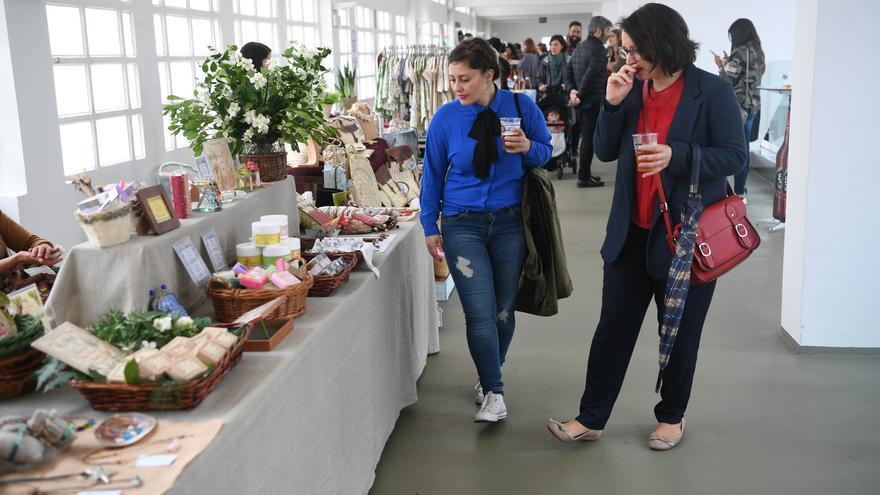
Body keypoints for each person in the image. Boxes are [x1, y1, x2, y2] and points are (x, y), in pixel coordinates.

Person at [546, 3, 745, 450]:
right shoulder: (631, 90)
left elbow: (734, 156)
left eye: (636, 50)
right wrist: (612, 105)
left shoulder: (711, 92)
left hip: (686, 238)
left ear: (665, 43)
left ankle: (671, 417)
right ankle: (591, 417)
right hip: (631, 234)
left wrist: (679, 155)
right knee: (612, 329)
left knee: (678, 332)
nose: (628, 59)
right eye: (626, 49)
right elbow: (604, 152)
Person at [421, 38, 552, 423]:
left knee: (502, 312)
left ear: (489, 75)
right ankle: (494, 392)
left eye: (464, 79)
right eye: (452, 79)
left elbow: (546, 152)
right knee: (479, 313)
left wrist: (527, 145)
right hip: (462, 223)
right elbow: (432, 176)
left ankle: (489, 370)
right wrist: (430, 225)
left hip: (511, 222)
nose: (456, 87)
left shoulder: (521, 107)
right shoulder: (446, 118)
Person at [716, 18, 765, 198]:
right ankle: (741, 188)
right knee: (744, 148)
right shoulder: (759, 52)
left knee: (738, 150)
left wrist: (721, 66)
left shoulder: (740, 52)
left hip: (739, 108)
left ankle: (737, 193)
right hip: (753, 106)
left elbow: (727, 81)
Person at [565, 15, 612, 187]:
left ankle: (586, 174)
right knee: (588, 138)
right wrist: (580, 96)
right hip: (590, 100)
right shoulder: (599, 49)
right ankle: (583, 177)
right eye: (608, 31)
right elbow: (591, 75)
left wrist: (572, 92)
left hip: (581, 100)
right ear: (599, 30)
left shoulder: (581, 46)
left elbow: (568, 71)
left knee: (586, 137)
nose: (609, 35)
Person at [0, 210, 61, 278]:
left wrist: (42, 247)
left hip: (14, 281)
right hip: (10, 284)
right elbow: (20, 257)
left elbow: (30, 241)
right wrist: (18, 258)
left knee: (65, 274)